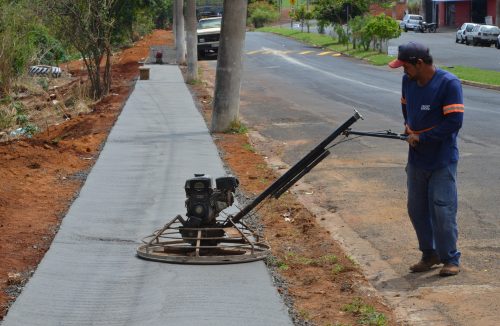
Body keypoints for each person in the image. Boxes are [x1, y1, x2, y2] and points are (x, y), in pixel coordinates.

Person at [388, 42, 464, 277]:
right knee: (417, 208)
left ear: (419, 63)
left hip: (441, 159)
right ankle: (428, 254)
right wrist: (409, 128)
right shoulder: (407, 82)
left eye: (406, 66)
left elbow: (454, 122)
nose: (403, 71)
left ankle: (450, 258)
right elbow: (406, 108)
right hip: (417, 160)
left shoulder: (448, 83)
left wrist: (423, 137)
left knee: (442, 209)